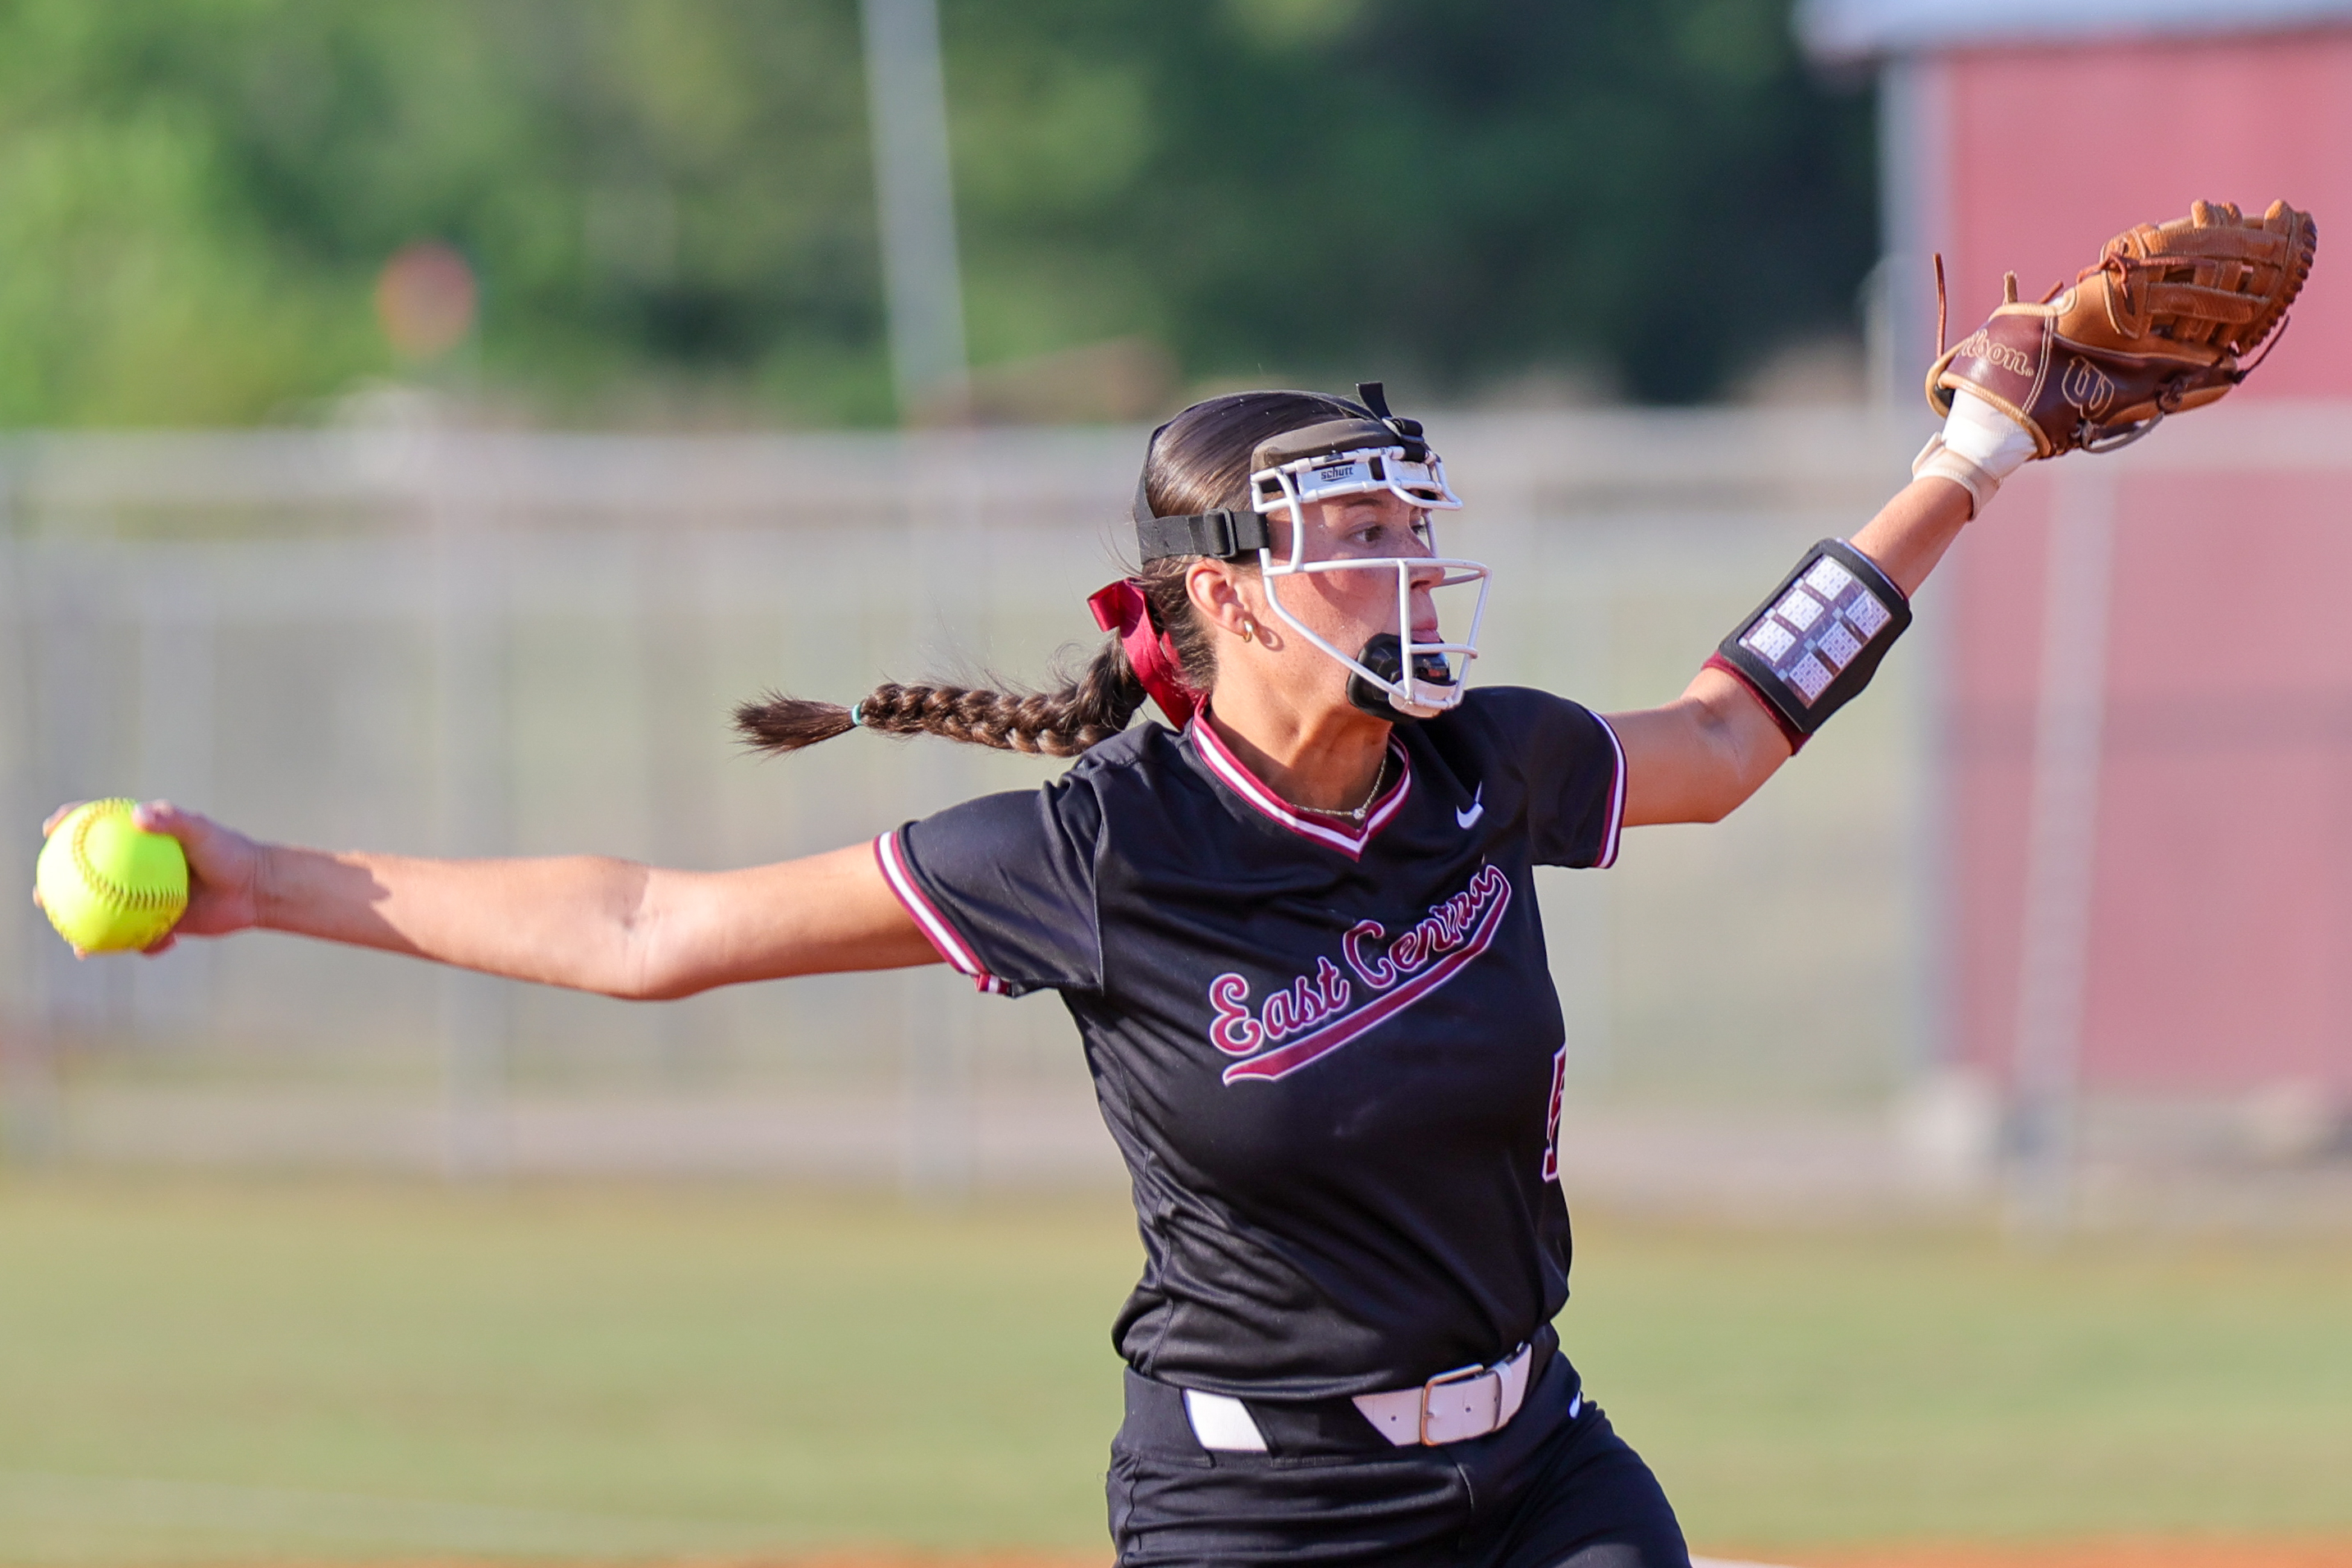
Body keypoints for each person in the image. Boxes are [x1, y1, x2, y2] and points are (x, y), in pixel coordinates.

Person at [20, 353, 2147, 1564]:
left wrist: (1965, 460)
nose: (1407, 564)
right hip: (1265, 1515)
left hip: (1543, 1475)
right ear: (1219, 595)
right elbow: (651, 929)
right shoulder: (1104, 849)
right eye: (1351, 536)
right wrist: (267, 878)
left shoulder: (1477, 765)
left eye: (1408, 523)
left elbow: (1731, 731)